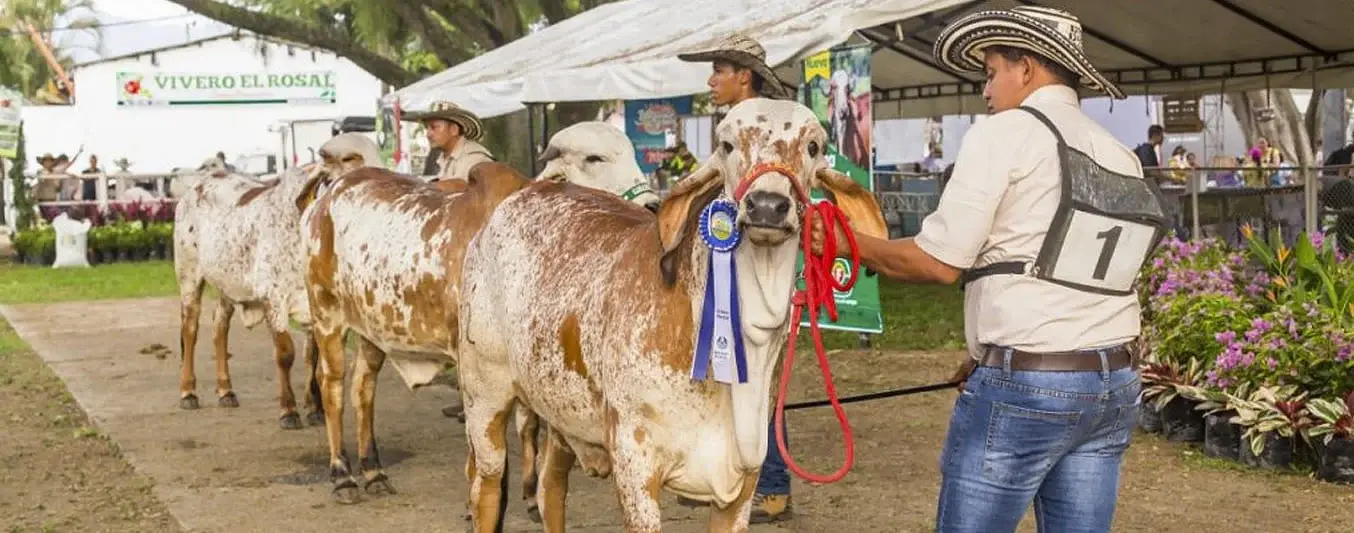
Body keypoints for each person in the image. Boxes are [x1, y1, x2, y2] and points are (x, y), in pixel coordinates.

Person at [813, 7, 1166, 532]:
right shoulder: (1118, 152)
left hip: (1028, 382)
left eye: (990, 71)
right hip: (1111, 382)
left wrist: (845, 243)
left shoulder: (1004, 133)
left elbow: (937, 262)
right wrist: (985, 350)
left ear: (1025, 68)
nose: (985, 89)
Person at [674, 32, 797, 524]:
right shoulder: (736, 124)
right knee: (729, 372)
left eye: (719, 70)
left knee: (762, 378)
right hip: (728, 266)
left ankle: (772, 486)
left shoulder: (767, 128)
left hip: (759, 270)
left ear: (743, 75)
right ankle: (729, 473)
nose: (711, 80)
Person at [404, 100, 493, 184]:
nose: (428, 134)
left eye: (434, 127)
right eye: (427, 128)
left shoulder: (473, 158)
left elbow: (459, 189)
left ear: (454, 129)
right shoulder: (442, 157)